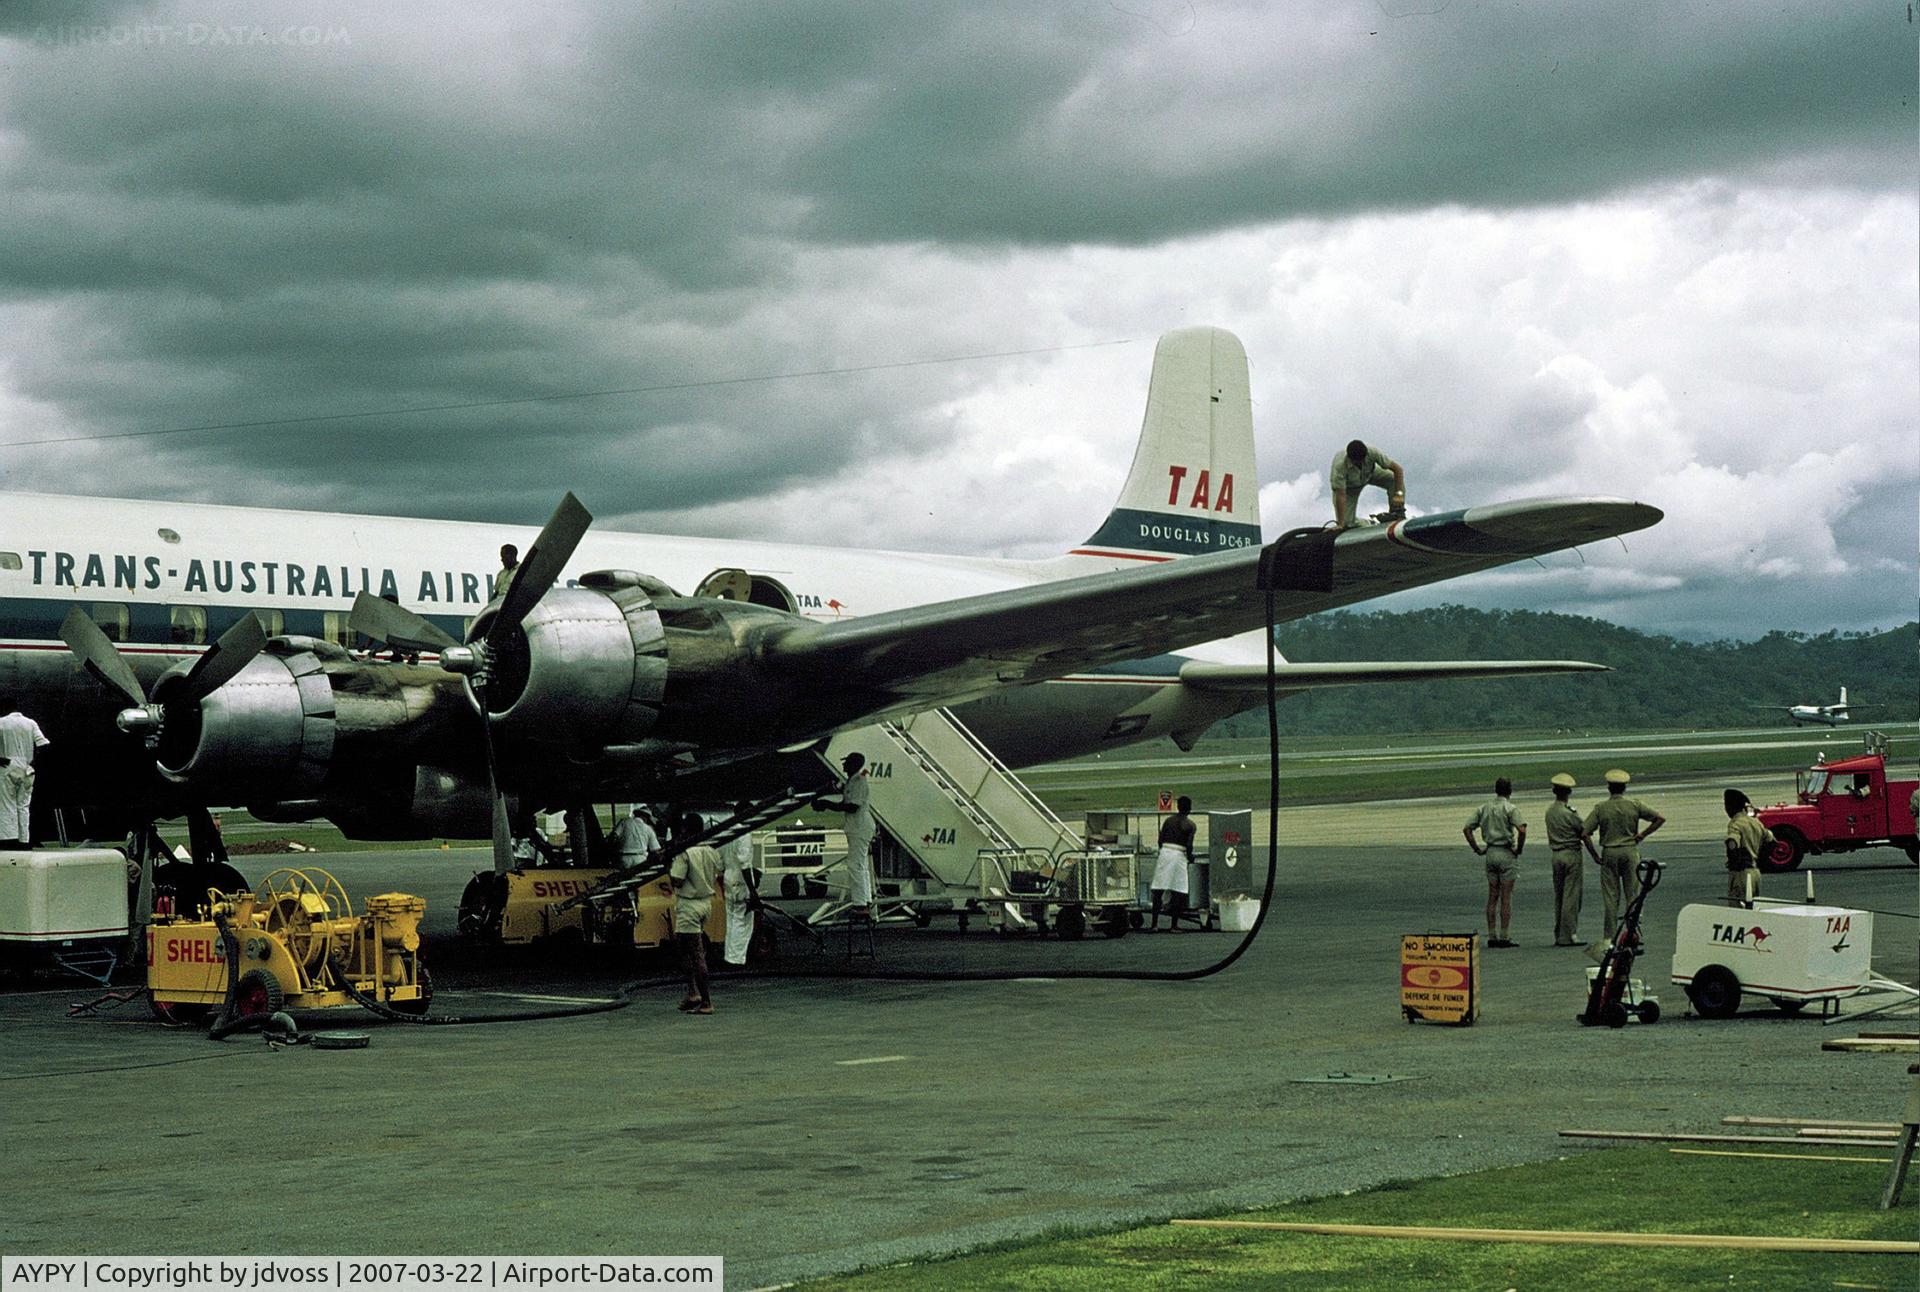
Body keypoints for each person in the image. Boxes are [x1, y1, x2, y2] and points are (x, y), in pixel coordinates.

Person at [1584, 769, 1666, 940]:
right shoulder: (1634, 805)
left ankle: (1609, 935)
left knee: (1611, 896)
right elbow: (1659, 818)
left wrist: (1594, 855)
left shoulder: (1601, 808)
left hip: (1610, 851)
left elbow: (1584, 833)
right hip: (1629, 850)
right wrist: (1642, 835)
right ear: (1624, 788)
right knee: (1632, 894)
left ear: (1609, 788)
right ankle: (1633, 932)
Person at [669, 813, 723, 1015]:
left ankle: (706, 1001)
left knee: (696, 953)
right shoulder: (710, 850)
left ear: (685, 830)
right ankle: (692, 992)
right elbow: (718, 871)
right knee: (684, 948)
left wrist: (668, 865)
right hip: (705, 902)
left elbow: (678, 880)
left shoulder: (685, 853)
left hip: (689, 904)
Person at [1463, 777, 1526, 947]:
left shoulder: (1484, 808)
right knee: (1506, 897)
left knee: (1492, 896)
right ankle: (1504, 936)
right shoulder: (1510, 808)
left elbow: (1467, 828)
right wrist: (1518, 849)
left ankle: (1492, 935)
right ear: (1510, 790)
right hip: (1505, 852)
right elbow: (1521, 829)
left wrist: (1477, 849)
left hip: (1490, 852)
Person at [814, 753, 875, 919]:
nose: (843, 765)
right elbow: (843, 804)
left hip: (860, 826)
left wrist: (826, 804)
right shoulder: (851, 781)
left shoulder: (859, 782)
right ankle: (865, 900)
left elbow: (852, 807)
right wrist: (825, 803)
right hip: (856, 826)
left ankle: (860, 905)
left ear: (854, 764)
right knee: (860, 865)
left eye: (846, 762)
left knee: (855, 865)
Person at [1544, 773, 1599, 947]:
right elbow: (1584, 833)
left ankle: (1558, 933)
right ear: (1568, 792)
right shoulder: (1570, 814)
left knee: (1559, 896)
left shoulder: (1549, 812)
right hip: (1571, 854)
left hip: (1556, 855)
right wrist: (1595, 855)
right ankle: (1569, 935)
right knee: (1572, 897)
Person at [0, 698, 50, 848]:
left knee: (7, 804)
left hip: (7, 765)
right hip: (27, 766)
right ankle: (24, 840)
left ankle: (9, 839)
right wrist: (34, 762)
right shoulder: (31, 723)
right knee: (23, 805)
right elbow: (44, 744)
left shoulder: (1, 722)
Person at [1329, 439, 1405, 530]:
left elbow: (1398, 470)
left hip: (1370, 474)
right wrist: (1340, 524)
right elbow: (1340, 495)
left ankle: (1396, 513)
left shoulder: (1372, 452)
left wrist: (1399, 496)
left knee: (1392, 478)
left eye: (1363, 460)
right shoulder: (1339, 466)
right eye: (1357, 462)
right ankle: (1372, 522)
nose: (1360, 464)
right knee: (1347, 524)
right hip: (1350, 488)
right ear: (1350, 459)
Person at [1149, 796, 1196, 932]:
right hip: (1179, 855)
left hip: (1165, 852)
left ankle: (1154, 925)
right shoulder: (1190, 825)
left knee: (1158, 889)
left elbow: (1160, 840)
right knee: (1178, 890)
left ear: (1178, 807)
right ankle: (1174, 925)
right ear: (1190, 809)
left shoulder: (1168, 821)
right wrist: (1190, 858)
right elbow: (1189, 845)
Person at [1722, 789, 1774, 908]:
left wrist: (1736, 860)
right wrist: (1761, 859)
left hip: (1741, 873)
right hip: (1755, 872)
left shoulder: (1735, 824)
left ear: (1730, 806)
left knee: (1738, 910)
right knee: (1753, 907)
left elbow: (1732, 843)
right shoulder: (1756, 822)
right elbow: (1771, 841)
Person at [721, 803, 756, 967]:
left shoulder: (728, 831)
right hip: (740, 879)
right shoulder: (744, 833)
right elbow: (745, 865)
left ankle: (730, 955)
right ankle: (737, 959)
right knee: (743, 920)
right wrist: (753, 890)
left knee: (732, 919)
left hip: (728, 875)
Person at [610, 804, 661, 870]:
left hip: (624, 858)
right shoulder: (648, 829)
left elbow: (614, 836)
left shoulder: (624, 822)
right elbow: (655, 850)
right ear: (646, 818)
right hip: (640, 859)